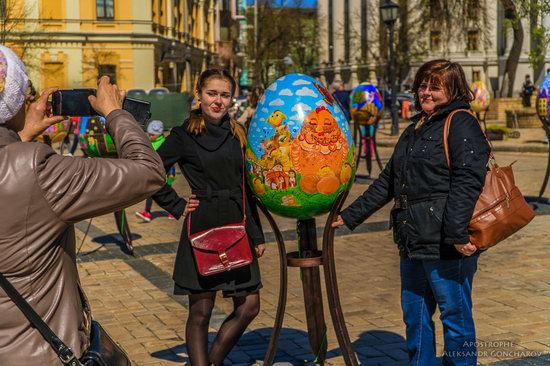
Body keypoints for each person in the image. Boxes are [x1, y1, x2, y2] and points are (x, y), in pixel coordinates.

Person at [0, 45, 165, 365]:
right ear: (16, 99)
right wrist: (117, 113)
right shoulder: (33, 168)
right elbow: (149, 173)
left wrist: (19, 138)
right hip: (39, 354)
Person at [332, 59, 490, 366]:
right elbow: (388, 181)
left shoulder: (460, 123)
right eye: (422, 85)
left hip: (446, 244)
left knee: (455, 320)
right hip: (412, 240)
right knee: (415, 317)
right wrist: (350, 216)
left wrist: (457, 234)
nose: (425, 93)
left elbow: (468, 181)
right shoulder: (416, 127)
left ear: (453, 89)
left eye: (435, 86)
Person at [152, 68, 266, 366]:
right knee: (201, 311)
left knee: (249, 306)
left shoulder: (237, 132)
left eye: (224, 95)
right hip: (202, 225)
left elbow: (246, 188)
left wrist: (256, 234)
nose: (218, 101)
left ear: (232, 99)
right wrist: (175, 204)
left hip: (237, 223)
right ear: (199, 96)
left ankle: (212, 361)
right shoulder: (183, 135)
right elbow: (150, 173)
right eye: (212, 94)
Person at [135, 119, 176, 222]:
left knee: (167, 194)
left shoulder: (164, 143)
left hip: (165, 174)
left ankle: (173, 211)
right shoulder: (151, 142)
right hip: (154, 173)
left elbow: (170, 160)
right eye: (149, 134)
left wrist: (171, 173)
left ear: (159, 134)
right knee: (151, 193)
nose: (150, 137)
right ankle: (147, 213)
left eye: (152, 135)